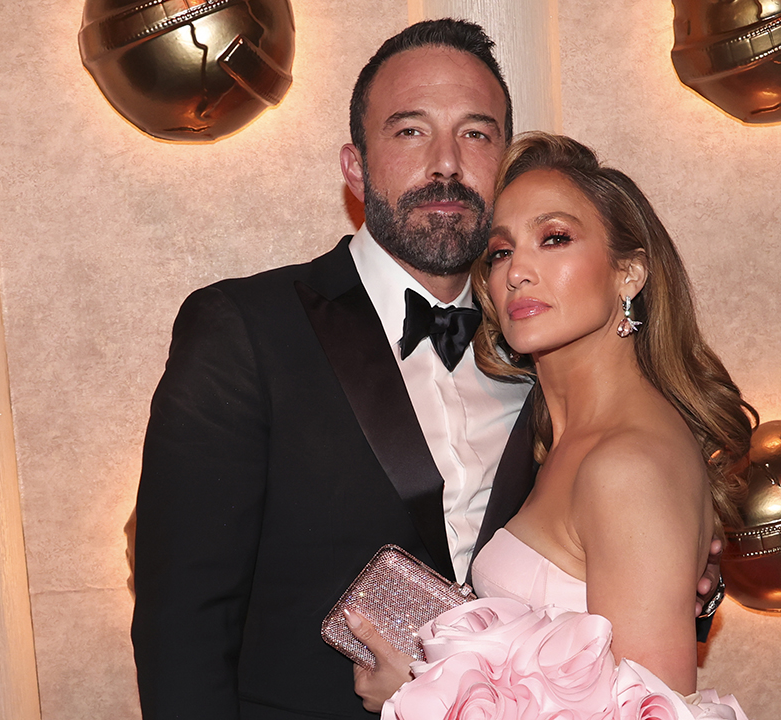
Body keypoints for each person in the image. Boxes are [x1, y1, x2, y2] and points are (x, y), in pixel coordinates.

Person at [132, 19, 722, 720]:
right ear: (355, 166)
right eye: (410, 131)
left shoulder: (550, 352)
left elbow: (608, 636)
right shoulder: (244, 330)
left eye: (475, 134)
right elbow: (183, 626)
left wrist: (681, 577)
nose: (446, 162)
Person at [350, 133, 756, 720]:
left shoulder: (627, 465)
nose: (518, 271)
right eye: (499, 252)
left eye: (555, 238)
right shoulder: (557, 437)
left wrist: (421, 698)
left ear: (630, 274)